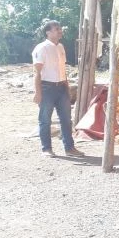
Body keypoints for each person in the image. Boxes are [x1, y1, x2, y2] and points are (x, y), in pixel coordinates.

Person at [32, 20, 84, 157]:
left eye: (60, 28)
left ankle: (69, 148)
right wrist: (37, 93)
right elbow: (37, 72)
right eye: (56, 29)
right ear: (48, 32)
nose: (60, 31)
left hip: (61, 87)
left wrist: (66, 87)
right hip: (46, 87)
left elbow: (62, 70)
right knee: (45, 120)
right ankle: (46, 149)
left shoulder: (61, 47)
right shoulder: (41, 48)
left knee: (66, 119)